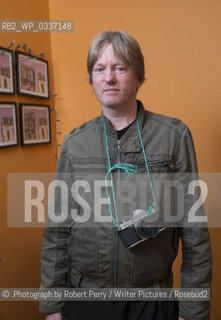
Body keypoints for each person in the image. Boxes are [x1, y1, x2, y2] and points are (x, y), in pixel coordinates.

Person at [39, 31, 212, 320]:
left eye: (120, 67)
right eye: (100, 69)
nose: (109, 78)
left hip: (152, 303)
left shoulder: (174, 137)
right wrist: (52, 306)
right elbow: (57, 232)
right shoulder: (74, 143)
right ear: (92, 79)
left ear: (138, 78)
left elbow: (195, 234)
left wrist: (193, 312)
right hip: (85, 302)